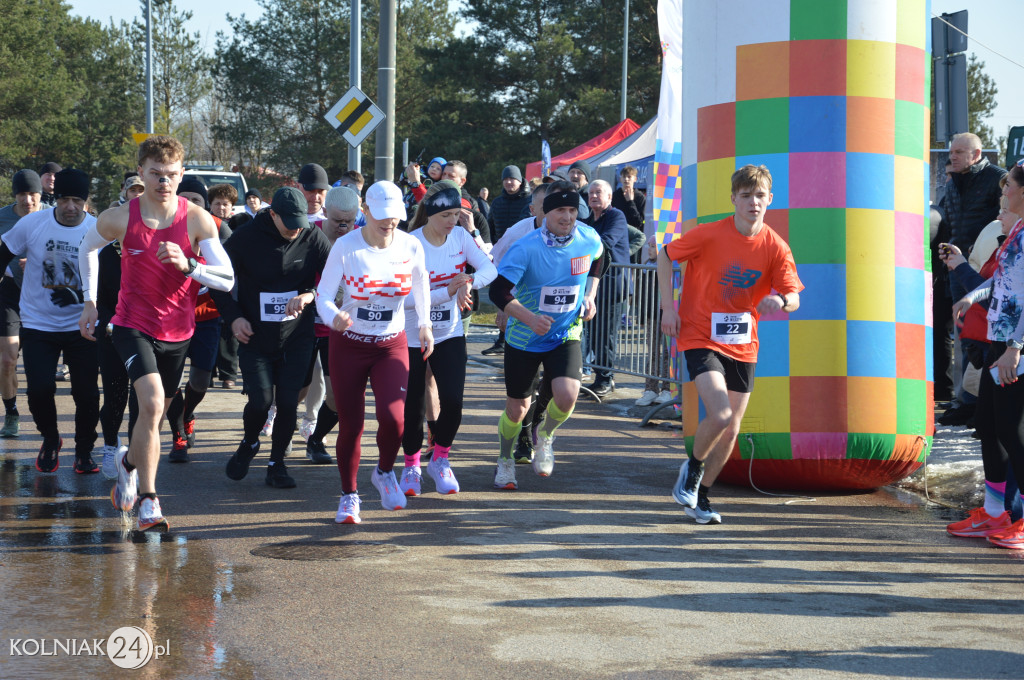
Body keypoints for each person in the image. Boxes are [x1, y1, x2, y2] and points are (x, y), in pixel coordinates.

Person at [79, 135, 235, 532]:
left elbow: (228, 279)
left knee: (154, 417)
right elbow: (87, 248)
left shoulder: (198, 220)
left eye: (171, 174)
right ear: (141, 173)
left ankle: (128, 462)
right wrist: (90, 301)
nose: (164, 182)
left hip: (178, 332)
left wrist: (189, 266)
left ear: (182, 174)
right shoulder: (119, 217)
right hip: (132, 325)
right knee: (150, 404)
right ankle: (149, 501)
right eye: (155, 174)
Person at [658, 164, 803, 525]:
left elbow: (794, 296)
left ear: (770, 199)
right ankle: (692, 469)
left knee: (732, 429)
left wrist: (780, 301)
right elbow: (665, 254)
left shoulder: (776, 246)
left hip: (742, 343)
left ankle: (702, 497)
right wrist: (668, 309)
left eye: (760, 195)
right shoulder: (709, 234)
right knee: (720, 414)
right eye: (746, 195)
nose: (754, 202)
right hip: (700, 335)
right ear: (733, 199)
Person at [315, 180, 432, 524]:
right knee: (351, 425)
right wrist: (333, 316)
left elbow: (421, 283)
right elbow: (323, 295)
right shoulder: (346, 247)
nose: (389, 222)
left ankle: (383, 472)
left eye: (394, 215)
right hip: (349, 344)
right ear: (365, 211)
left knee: (395, 419)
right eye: (381, 215)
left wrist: (424, 323)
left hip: (390, 344)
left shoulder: (410, 245)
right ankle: (349, 495)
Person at [487, 180, 604, 490]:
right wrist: (529, 318)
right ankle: (505, 459)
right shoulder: (526, 247)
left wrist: (590, 294)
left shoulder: (588, 238)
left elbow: (599, 257)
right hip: (525, 337)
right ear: (545, 213)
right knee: (517, 408)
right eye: (560, 210)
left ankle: (545, 437)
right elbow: (498, 291)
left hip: (566, 332)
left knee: (567, 395)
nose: (567, 217)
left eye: (572, 210)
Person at [212, 187, 331, 488]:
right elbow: (218, 281)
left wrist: (310, 294)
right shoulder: (245, 238)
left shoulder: (312, 236)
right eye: (289, 223)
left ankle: (277, 464)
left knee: (289, 402)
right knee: (261, 401)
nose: (295, 230)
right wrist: (234, 317)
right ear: (273, 214)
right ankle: (250, 442)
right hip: (255, 334)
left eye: (299, 223)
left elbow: (336, 279)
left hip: (297, 335)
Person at [398, 181, 497, 497]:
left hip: (449, 333)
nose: (453, 221)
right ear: (429, 213)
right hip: (412, 335)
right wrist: (446, 291)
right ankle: (411, 465)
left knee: (453, 401)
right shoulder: (410, 244)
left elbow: (490, 269)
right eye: (446, 215)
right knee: (412, 406)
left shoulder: (461, 237)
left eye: (456, 214)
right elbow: (403, 299)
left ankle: (440, 459)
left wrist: (469, 281)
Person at [0, 168, 100, 474]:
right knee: (39, 390)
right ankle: (51, 438)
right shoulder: (33, 224)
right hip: (38, 322)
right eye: (64, 199)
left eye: (77, 201)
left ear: (85, 202)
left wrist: (88, 302)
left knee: (86, 393)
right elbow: (2, 255)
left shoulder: (98, 230)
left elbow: (112, 279)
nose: (70, 206)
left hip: (82, 325)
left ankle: (84, 450)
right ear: (54, 198)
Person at [947, 163, 1024, 549]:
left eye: (1009, 186)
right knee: (989, 426)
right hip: (999, 342)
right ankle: (994, 513)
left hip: (1014, 349)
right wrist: (971, 295)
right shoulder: (1016, 231)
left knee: (1013, 430)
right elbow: (1003, 280)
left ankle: (1020, 520)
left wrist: (1015, 347)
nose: (1003, 191)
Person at [163, 180, 234, 463]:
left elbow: (230, 273)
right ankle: (178, 436)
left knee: (201, 381)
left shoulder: (218, 227)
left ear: (205, 204)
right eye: (185, 198)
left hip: (207, 317)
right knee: (169, 381)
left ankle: (187, 413)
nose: (190, 204)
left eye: (197, 199)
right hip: (170, 315)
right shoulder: (163, 225)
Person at [939, 133, 1007, 426]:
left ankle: (986, 403)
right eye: (951, 152)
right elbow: (949, 222)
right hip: (957, 268)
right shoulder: (952, 182)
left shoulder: (997, 178)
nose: (951, 157)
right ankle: (969, 401)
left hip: (987, 266)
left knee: (986, 333)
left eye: (958, 152)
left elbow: (1005, 220)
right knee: (966, 334)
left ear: (977, 153)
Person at [304, 186, 361, 464]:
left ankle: (315, 441)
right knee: (296, 390)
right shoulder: (306, 233)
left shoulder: (361, 239)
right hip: (301, 325)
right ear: (324, 211)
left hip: (338, 329)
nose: (343, 226)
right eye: (338, 220)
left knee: (339, 396)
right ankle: (280, 425)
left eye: (349, 221)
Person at [0, 169, 43, 438]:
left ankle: (45, 417)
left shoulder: (53, 215)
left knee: (39, 368)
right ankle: (11, 412)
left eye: (32, 194)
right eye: (22, 194)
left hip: (44, 295)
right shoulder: (3, 217)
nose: (28, 200)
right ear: (14, 195)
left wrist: (40, 264)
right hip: (9, 293)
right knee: (7, 359)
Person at [584, 179, 630, 396]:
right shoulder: (587, 221)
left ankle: (606, 378)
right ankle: (599, 377)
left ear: (609, 197)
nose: (593, 196)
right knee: (593, 335)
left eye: (598, 192)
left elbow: (605, 243)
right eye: (591, 192)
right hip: (591, 287)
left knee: (605, 336)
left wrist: (579, 248)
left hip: (612, 286)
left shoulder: (616, 216)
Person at [611, 165, 646, 231]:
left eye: (629, 177)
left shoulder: (640, 197)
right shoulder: (614, 195)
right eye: (624, 177)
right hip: (617, 230)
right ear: (620, 179)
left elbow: (640, 222)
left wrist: (630, 202)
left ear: (635, 179)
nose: (626, 179)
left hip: (633, 233)